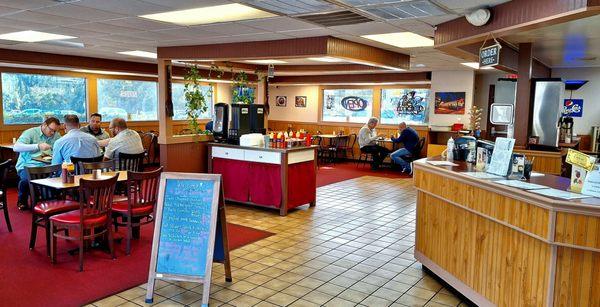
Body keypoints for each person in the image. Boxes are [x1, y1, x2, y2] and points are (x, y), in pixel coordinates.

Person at [13, 117, 62, 210]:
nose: (52, 133)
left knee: (63, 175)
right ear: (44, 125)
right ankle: (22, 200)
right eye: (51, 130)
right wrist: (37, 146)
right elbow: (16, 147)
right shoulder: (30, 132)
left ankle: (52, 200)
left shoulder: (56, 135)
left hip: (48, 165)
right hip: (28, 165)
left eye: (55, 131)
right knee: (26, 181)